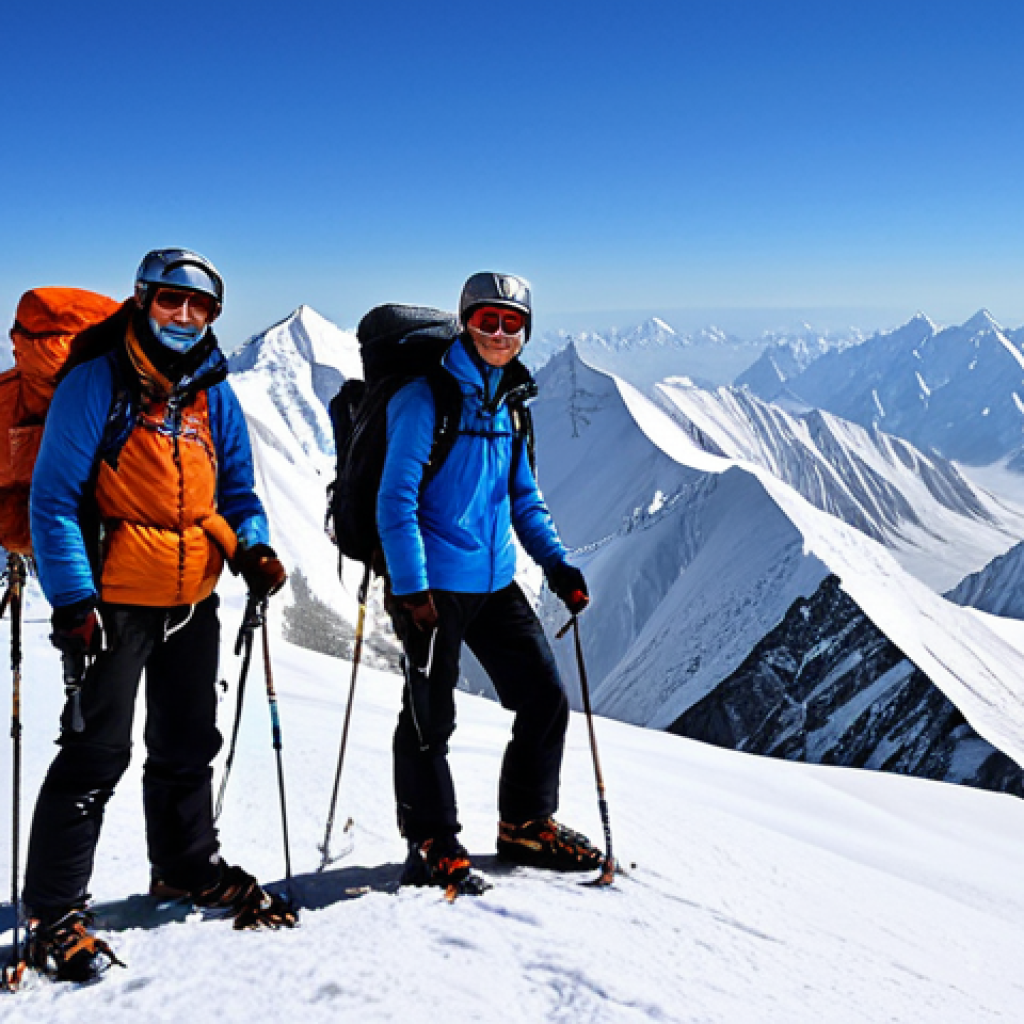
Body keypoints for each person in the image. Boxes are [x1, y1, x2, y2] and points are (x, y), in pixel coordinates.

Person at [22, 248, 295, 983]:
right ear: (143, 301)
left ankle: (184, 869)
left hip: (190, 602)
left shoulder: (213, 393)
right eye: (171, 301)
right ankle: (54, 913)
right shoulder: (96, 382)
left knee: (185, 743)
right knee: (94, 755)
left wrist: (255, 549)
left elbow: (236, 490)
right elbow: (52, 499)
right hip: (112, 605)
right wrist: (74, 601)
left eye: (199, 306)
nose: (184, 316)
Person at [378, 270, 602, 890]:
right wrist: (412, 589)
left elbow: (523, 498)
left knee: (543, 698)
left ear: (526, 332)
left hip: (495, 580)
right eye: (487, 320)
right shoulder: (424, 398)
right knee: (429, 716)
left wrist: (556, 564)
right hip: (432, 586)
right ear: (466, 321)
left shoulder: (510, 406)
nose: (499, 333)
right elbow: (394, 500)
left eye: (512, 323)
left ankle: (525, 826)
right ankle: (432, 841)